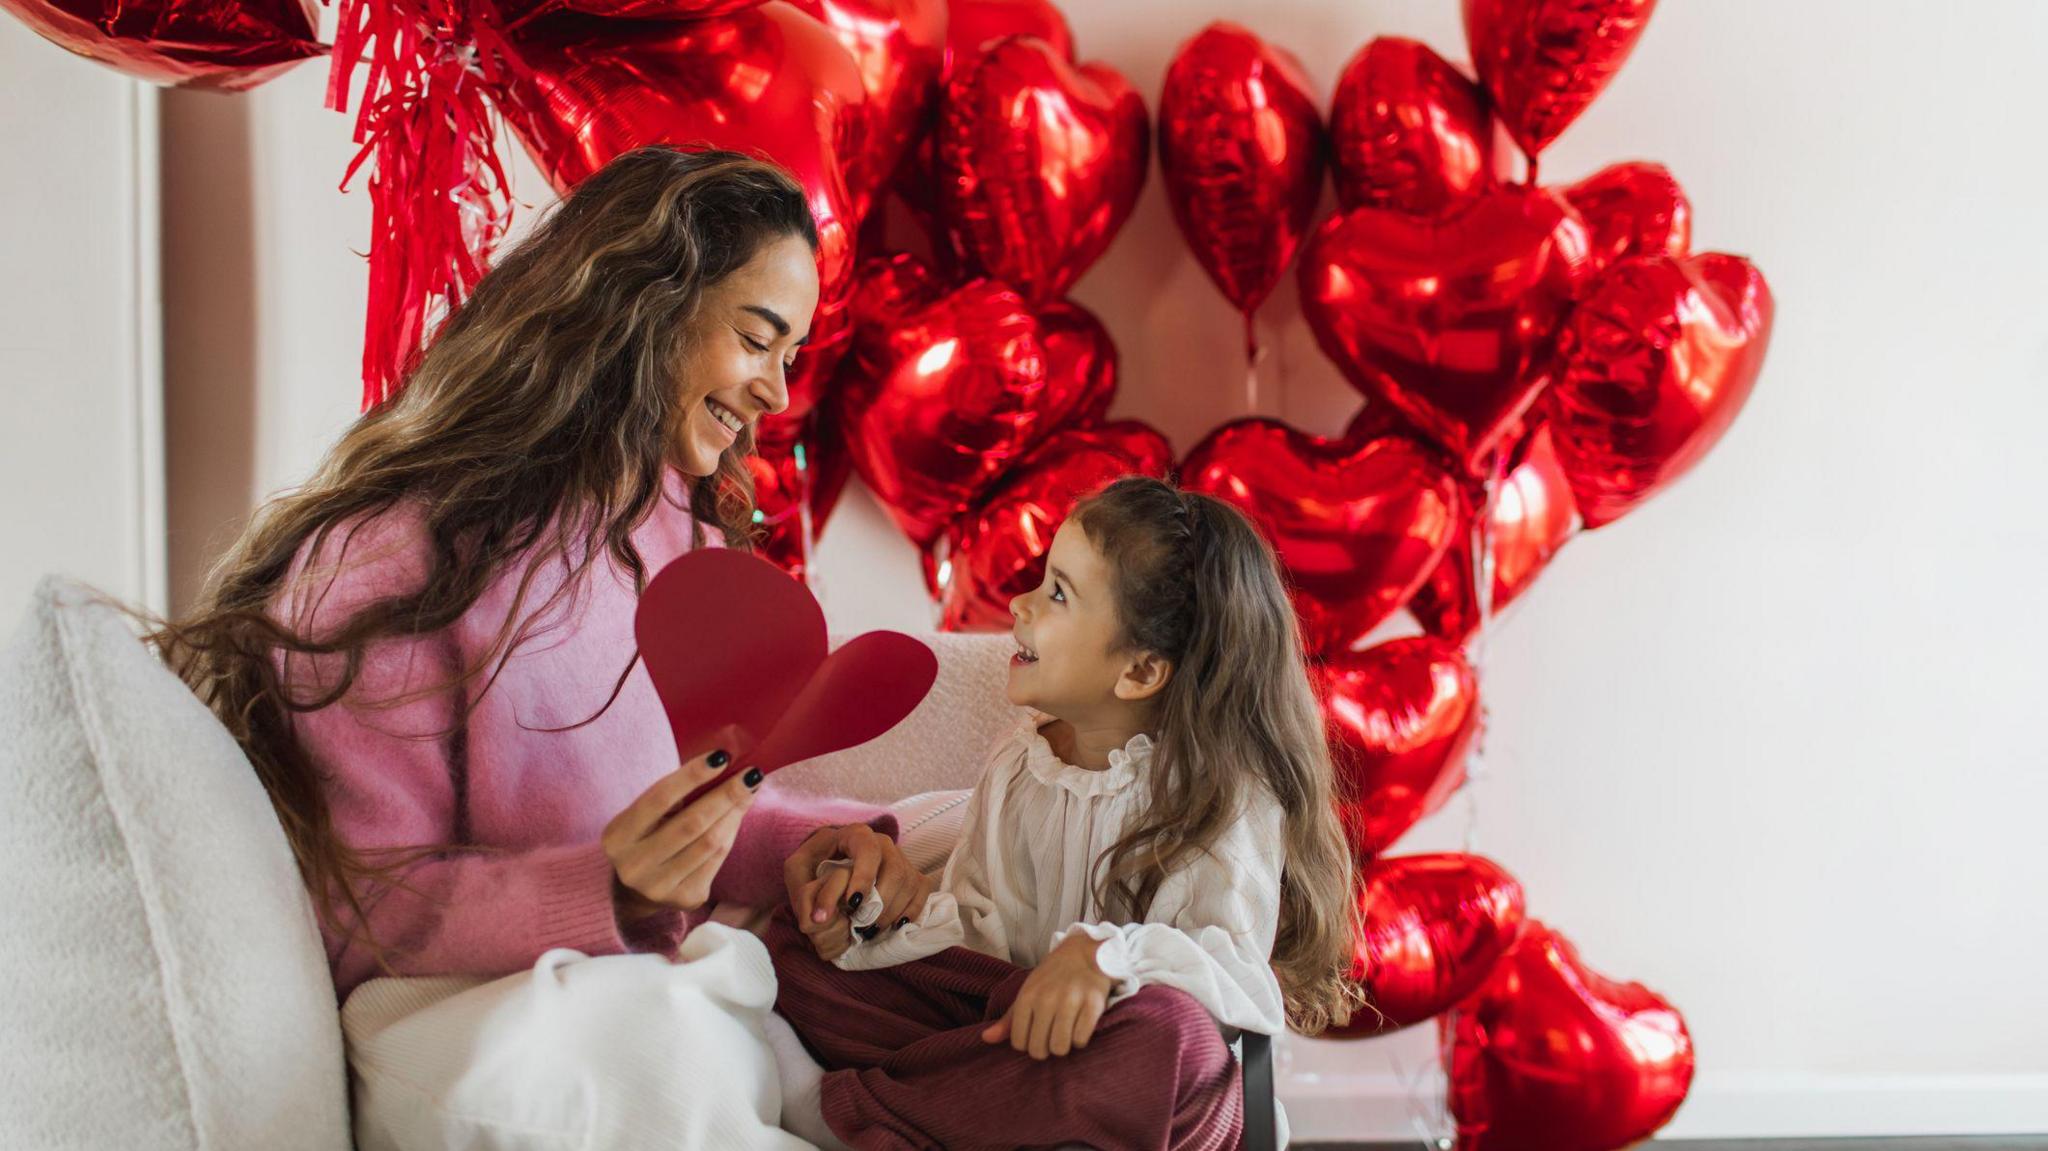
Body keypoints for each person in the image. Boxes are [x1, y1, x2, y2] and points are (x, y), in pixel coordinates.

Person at [144, 148, 932, 1144]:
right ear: (647, 304)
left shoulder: (669, 527)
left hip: (642, 984)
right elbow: (355, 905)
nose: (776, 390)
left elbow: (700, 793)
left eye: (791, 354)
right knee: (657, 1038)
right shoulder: (390, 562)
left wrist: (809, 847)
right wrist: (607, 888)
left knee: (948, 842)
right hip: (465, 1022)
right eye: (756, 338)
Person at [770, 476, 1364, 1151]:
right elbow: (978, 939)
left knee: (1169, 1041)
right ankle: (967, 1109)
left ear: (1139, 672)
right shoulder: (1021, 767)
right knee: (794, 948)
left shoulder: (1226, 795)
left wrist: (1108, 957)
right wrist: (879, 919)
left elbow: (1234, 977)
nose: (1021, 603)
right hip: (1014, 1034)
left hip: (1144, 1071)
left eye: (1058, 593)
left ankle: (851, 1113)